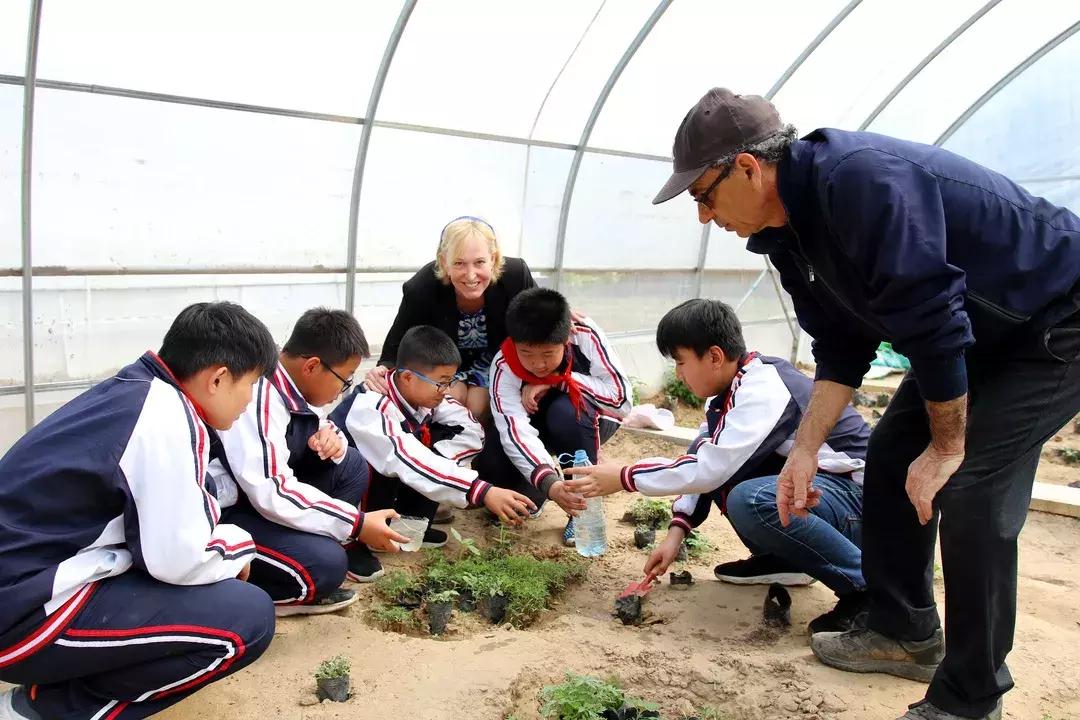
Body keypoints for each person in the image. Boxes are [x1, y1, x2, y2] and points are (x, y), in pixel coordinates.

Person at [652, 87, 1080, 720]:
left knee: (969, 489)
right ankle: (905, 631)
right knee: (887, 459)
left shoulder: (860, 183)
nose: (704, 217)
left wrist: (946, 446)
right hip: (975, 334)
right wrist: (803, 450)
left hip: (1052, 319)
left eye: (703, 196)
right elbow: (842, 344)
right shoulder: (787, 234)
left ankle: (970, 696)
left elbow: (934, 320)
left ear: (747, 168)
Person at [0, 301, 279, 719]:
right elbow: (179, 560)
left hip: (23, 586)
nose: (250, 400)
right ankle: (46, 711)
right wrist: (240, 545)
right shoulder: (166, 415)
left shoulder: (134, 389)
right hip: (23, 615)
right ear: (218, 378)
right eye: (252, 384)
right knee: (247, 617)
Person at [565, 298, 869, 633]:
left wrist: (624, 476)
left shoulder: (763, 386)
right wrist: (675, 533)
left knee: (751, 498)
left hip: (859, 502)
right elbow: (702, 453)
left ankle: (865, 592)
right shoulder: (729, 392)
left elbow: (709, 468)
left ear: (714, 356)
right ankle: (786, 560)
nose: (679, 374)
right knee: (733, 479)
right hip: (827, 495)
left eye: (681, 362)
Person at [213, 308, 408, 606]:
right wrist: (356, 524)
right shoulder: (260, 398)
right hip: (232, 510)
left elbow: (316, 420)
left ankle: (306, 546)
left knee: (351, 463)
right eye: (343, 380)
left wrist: (331, 436)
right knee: (325, 568)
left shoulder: (291, 383)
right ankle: (254, 587)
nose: (342, 391)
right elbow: (272, 491)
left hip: (261, 496)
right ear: (312, 367)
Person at [331, 325, 537, 564]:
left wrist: (439, 457)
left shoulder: (426, 395)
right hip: (344, 494)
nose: (446, 390)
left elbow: (471, 429)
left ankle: (409, 524)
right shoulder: (372, 405)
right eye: (441, 382)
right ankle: (357, 540)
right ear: (408, 377)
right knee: (404, 460)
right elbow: (405, 459)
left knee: (433, 452)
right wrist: (481, 491)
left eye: (449, 381)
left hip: (398, 467)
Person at [477, 287, 633, 544]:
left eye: (548, 354)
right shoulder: (504, 364)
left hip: (587, 418)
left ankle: (582, 508)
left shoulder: (584, 334)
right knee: (491, 463)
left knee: (566, 413)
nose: (538, 364)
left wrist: (561, 380)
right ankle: (538, 493)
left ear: (566, 340)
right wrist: (548, 482)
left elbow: (621, 400)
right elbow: (513, 429)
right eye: (526, 353)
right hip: (535, 422)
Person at [365, 216, 537, 425]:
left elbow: (542, 320)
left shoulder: (516, 276)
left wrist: (562, 312)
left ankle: (480, 448)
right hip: (447, 366)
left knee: (477, 405)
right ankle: (446, 446)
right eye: (459, 263)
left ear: (493, 258)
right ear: (444, 262)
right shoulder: (421, 288)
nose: (471, 275)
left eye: (480, 262)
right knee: (452, 401)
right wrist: (382, 369)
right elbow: (396, 345)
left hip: (496, 362)